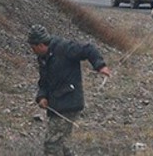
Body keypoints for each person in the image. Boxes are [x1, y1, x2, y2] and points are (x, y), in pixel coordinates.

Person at [27, 24, 112, 156]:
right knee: (64, 144)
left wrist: (100, 65)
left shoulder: (65, 48)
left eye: (33, 47)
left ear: (40, 45)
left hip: (69, 102)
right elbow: (43, 81)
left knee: (52, 143)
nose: (32, 51)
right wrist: (41, 96)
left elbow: (89, 49)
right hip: (56, 105)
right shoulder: (42, 57)